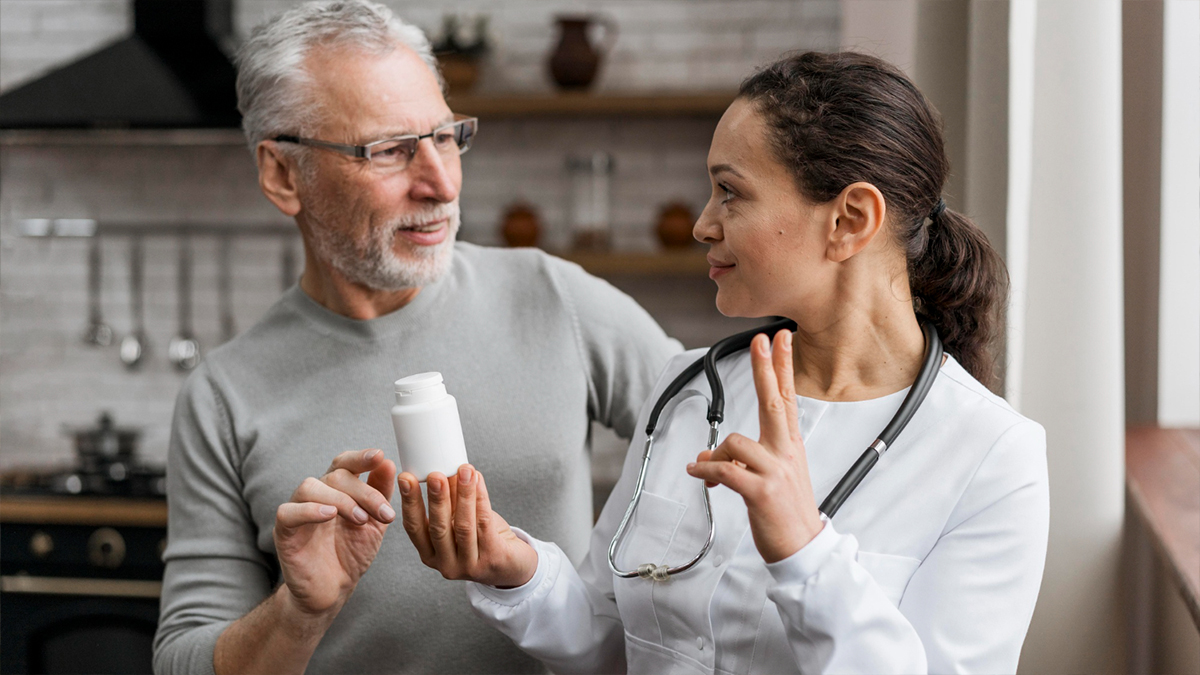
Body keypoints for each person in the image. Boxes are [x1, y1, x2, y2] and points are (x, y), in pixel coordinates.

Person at [401, 51, 1050, 674]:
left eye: (730, 193)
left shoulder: (995, 459)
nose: (702, 224)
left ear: (850, 219)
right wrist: (519, 571)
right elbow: (612, 646)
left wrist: (805, 551)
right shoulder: (688, 389)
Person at [151, 2, 680, 674]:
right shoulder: (222, 396)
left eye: (446, 137)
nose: (441, 182)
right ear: (284, 175)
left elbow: (724, 450)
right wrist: (299, 612)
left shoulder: (554, 298)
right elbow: (183, 660)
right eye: (391, 150)